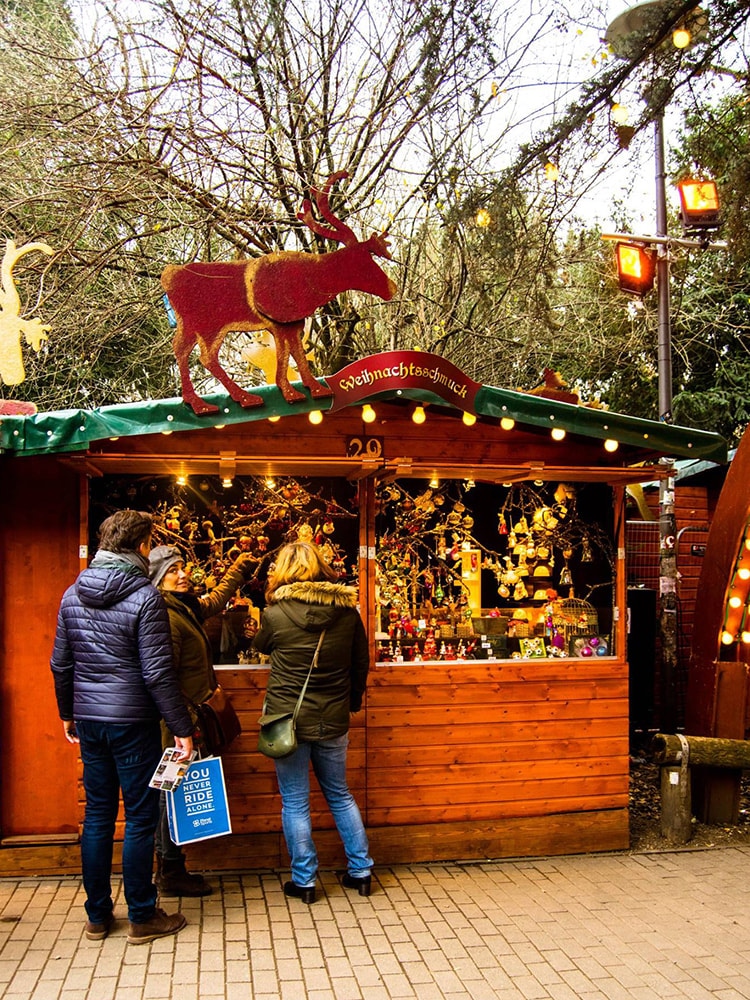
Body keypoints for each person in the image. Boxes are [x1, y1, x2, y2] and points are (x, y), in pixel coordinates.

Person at [50, 510, 194, 945]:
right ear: (141, 546)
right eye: (151, 542)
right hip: (133, 722)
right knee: (139, 816)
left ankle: (97, 916)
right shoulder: (145, 597)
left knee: (96, 815)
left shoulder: (72, 593)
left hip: (91, 721)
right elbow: (157, 673)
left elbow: (61, 662)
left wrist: (67, 713)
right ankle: (142, 915)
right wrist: (182, 727)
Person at [253, 541, 373, 903]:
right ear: (321, 568)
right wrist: (350, 703)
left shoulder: (274, 614)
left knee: (295, 802)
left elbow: (261, 646)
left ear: (284, 571)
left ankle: (304, 882)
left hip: (287, 721)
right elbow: (360, 663)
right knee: (340, 794)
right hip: (333, 718)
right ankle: (361, 871)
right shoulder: (348, 613)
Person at [148, 544, 255, 896]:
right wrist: (183, 724)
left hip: (184, 720)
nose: (182, 574)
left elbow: (215, 599)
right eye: (172, 571)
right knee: (170, 794)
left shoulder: (184, 608)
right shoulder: (164, 615)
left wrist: (239, 567)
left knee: (173, 793)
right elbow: (164, 675)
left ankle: (170, 868)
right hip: (178, 725)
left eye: (182, 567)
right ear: (157, 579)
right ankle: (170, 871)